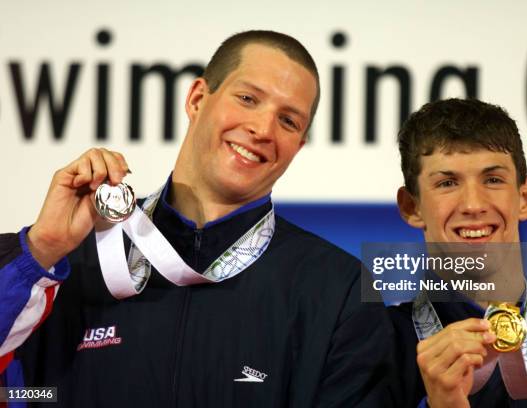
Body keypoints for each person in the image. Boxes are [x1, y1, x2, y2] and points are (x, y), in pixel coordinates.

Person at [0, 30, 394, 407]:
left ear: (298, 145)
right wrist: (42, 249)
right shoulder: (69, 262)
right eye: (247, 98)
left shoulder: (338, 288)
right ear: (197, 98)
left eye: (289, 121)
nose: (262, 129)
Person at [388, 98, 527, 407]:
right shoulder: (369, 346)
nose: (473, 205)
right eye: (447, 182)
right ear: (412, 207)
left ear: (525, 198)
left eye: (493, 180)